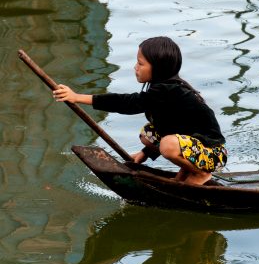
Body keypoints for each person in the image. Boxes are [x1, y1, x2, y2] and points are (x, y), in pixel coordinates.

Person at [53, 36, 227, 185]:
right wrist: (144, 154)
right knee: (148, 132)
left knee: (168, 144)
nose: (135, 67)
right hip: (198, 149)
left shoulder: (168, 90)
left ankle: (200, 173)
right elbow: (169, 127)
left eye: (140, 63)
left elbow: (127, 103)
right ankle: (185, 173)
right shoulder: (163, 89)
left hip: (213, 154)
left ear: (158, 69)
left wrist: (77, 97)